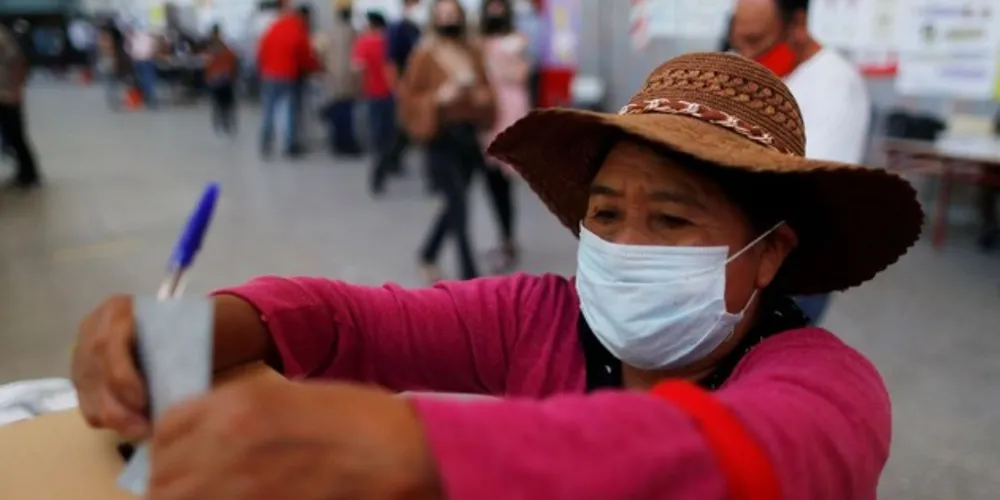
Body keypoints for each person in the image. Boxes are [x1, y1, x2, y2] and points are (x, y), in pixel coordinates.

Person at [72, 52, 923, 499]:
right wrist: (169, 339)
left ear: (769, 253)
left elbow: (744, 463)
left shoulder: (827, 388)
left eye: (671, 219)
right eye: (604, 213)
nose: (625, 243)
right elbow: (349, 322)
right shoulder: (538, 320)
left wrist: (407, 450)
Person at [729, 0, 871, 324]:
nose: (746, 55)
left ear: (798, 24)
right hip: (743, 248)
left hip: (797, 257)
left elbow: (805, 185)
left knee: (774, 348)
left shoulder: (834, 83)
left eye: (756, 41)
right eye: (739, 43)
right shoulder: (753, 72)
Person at [399, 0, 496, 282]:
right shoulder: (424, 55)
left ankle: (427, 254)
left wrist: (481, 99)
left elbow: (486, 91)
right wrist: (439, 98)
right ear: (434, 20)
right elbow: (409, 99)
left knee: (456, 203)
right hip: (440, 138)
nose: (448, 20)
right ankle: (469, 274)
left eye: (453, 15)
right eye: (443, 15)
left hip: (468, 137)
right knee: (459, 205)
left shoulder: (472, 52)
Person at [479, 0, 529, 272]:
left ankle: (507, 239)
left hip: (508, 111)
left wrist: (496, 65)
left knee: (504, 181)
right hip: (485, 114)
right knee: (491, 180)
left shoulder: (516, 40)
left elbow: (521, 73)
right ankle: (503, 237)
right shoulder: (479, 42)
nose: (496, 13)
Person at [373, 0, 425, 194]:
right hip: (406, 88)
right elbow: (391, 62)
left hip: (421, 90)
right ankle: (381, 170)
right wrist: (398, 88)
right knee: (399, 135)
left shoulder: (419, 28)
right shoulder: (399, 29)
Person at [257, 0, 318, 158]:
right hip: (288, 75)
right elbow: (305, 56)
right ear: (304, 16)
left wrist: (263, 68)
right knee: (290, 110)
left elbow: (262, 49)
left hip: (269, 74)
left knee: (269, 110)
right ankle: (290, 145)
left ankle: (265, 143)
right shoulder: (298, 30)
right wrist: (315, 68)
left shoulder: (275, 26)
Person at [352, 11, 396, 184]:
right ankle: (388, 161)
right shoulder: (390, 42)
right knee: (389, 132)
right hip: (392, 94)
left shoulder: (363, 43)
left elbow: (357, 68)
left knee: (376, 133)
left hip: (373, 94)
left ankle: (379, 165)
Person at [0, 23, 41, 188]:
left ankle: (29, 173)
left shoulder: (1, 36)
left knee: (15, 135)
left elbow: (18, 62)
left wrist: (16, 90)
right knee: (10, 136)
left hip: (6, 94)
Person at [320, 5, 363, 156]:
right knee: (347, 112)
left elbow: (321, 53)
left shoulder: (329, 33)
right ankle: (347, 143)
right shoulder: (354, 33)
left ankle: (336, 143)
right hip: (349, 78)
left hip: (333, 78)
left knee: (337, 111)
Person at [204, 24, 240, 136]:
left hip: (216, 80)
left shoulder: (211, 47)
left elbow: (209, 64)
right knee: (227, 104)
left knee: (219, 104)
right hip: (225, 80)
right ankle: (227, 124)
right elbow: (233, 61)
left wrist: (208, 77)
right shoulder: (224, 47)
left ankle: (219, 124)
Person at [128, 26, 160, 109]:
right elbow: (154, 48)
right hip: (147, 60)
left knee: (140, 80)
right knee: (149, 80)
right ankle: (149, 98)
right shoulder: (149, 37)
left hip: (137, 60)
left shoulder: (135, 37)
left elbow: (129, 49)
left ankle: (143, 97)